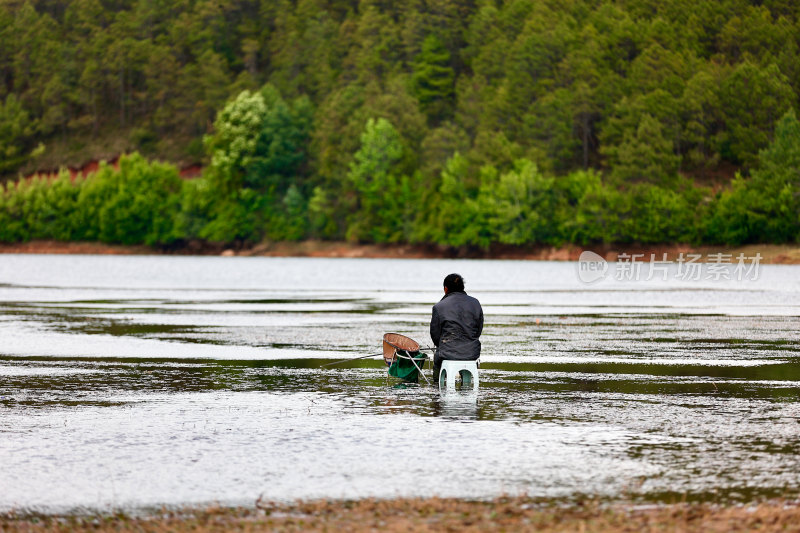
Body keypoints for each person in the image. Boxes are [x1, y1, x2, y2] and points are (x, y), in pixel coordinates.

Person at [430, 273, 483, 384]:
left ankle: (437, 389)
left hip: (447, 352)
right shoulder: (475, 303)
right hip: (472, 352)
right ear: (462, 287)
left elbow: (435, 336)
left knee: (437, 359)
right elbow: (478, 330)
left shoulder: (439, 306)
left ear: (445, 289)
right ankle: (466, 385)